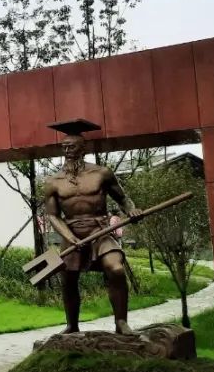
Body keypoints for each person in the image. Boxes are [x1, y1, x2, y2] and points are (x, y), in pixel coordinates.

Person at [40, 121, 142, 335]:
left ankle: (121, 323)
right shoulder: (53, 182)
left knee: (116, 269)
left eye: (72, 147)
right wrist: (70, 237)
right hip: (72, 233)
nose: (68, 151)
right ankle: (72, 325)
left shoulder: (102, 173)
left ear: (83, 148)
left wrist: (131, 210)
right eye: (64, 147)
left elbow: (124, 199)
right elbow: (52, 215)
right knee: (67, 278)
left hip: (100, 231)